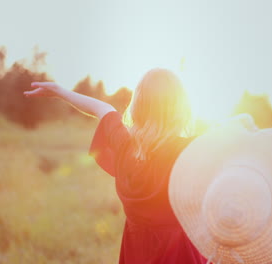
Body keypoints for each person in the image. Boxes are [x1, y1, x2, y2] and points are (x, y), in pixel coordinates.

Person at [25, 68, 207, 264]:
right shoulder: (189, 150)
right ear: (181, 109)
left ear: (138, 105)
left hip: (136, 255)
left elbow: (103, 110)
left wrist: (61, 92)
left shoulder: (126, 148)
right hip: (180, 256)